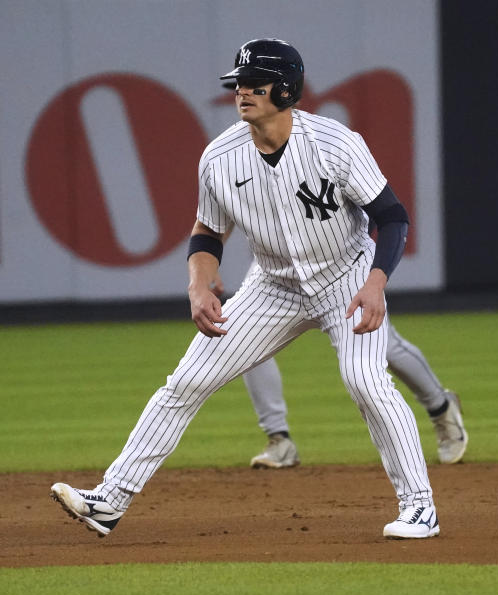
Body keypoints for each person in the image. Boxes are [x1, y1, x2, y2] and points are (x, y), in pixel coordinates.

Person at [50, 37, 440, 540]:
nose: (242, 92)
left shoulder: (336, 144)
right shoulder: (219, 157)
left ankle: (419, 508)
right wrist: (198, 284)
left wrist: (376, 282)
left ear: (287, 88)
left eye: (255, 83)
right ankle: (109, 500)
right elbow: (208, 232)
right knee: (187, 381)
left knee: (365, 381)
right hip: (273, 286)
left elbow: (392, 217)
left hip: (346, 275)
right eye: (238, 83)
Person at [233, 293, 467, 469]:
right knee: (249, 343)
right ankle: (279, 439)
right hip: (276, 271)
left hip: (339, 264)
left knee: (383, 344)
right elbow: (221, 226)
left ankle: (442, 408)